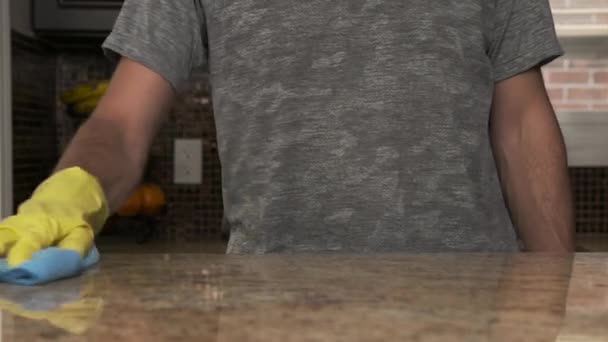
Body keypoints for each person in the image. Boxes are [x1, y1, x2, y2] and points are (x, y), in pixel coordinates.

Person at [0, 0, 575, 266]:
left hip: (473, 307)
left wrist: (557, 287)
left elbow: (522, 121)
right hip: (273, 310)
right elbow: (122, 123)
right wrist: (67, 196)